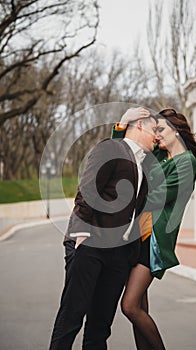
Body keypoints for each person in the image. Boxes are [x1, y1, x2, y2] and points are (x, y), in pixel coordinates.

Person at [49, 110, 157, 350]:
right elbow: (88, 189)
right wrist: (81, 233)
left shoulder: (144, 164)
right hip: (91, 245)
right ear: (139, 125)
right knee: (71, 316)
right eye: (154, 130)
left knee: (100, 327)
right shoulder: (111, 149)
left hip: (119, 255)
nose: (157, 136)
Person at [111, 107, 196, 350]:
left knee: (129, 306)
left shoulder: (186, 163)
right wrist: (122, 127)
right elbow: (122, 155)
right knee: (140, 309)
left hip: (153, 242)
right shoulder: (160, 156)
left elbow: (157, 195)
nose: (156, 135)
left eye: (160, 129)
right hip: (138, 237)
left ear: (177, 131)